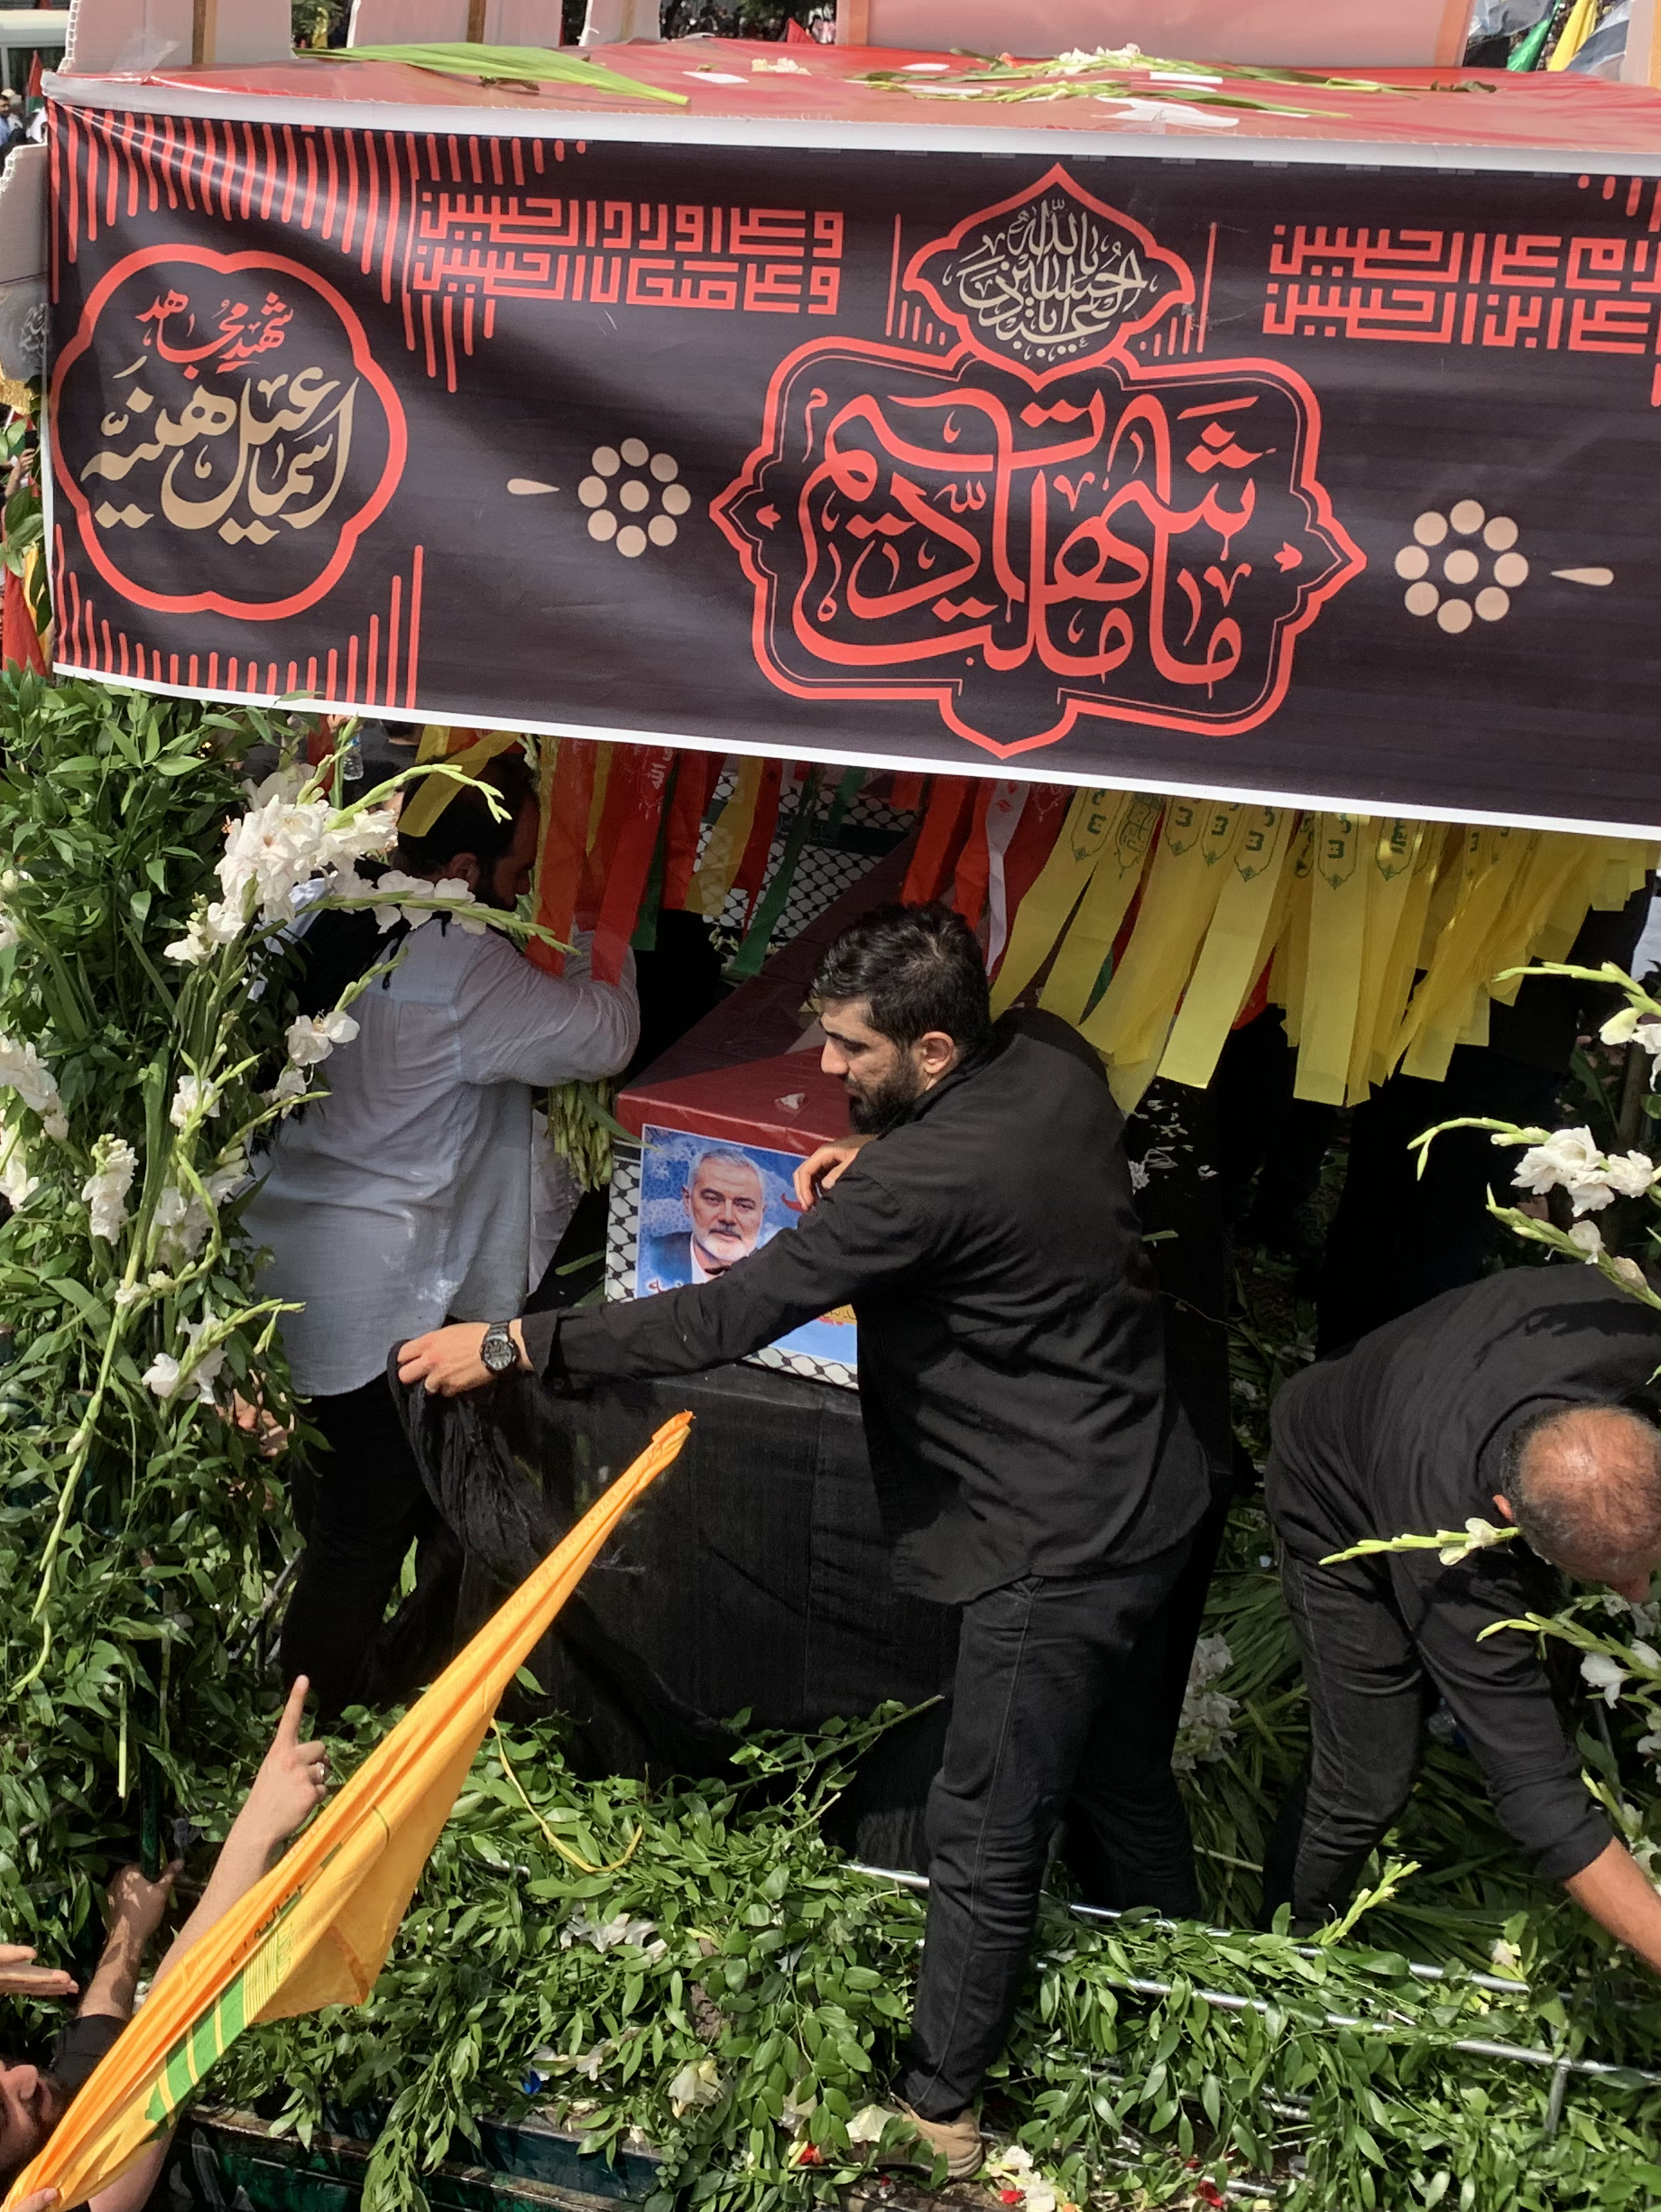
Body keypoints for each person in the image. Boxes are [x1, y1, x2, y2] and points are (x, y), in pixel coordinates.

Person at [400, 903, 1218, 2174]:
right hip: (1150, 1484)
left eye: (852, 1054)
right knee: (1121, 1782)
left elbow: (719, 1318)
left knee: (989, 1824)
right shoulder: (1050, 1055)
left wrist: (514, 1342)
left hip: (1048, 1541)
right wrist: (877, 1156)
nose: (825, 1074)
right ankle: (1195, 2011)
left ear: (937, 1049)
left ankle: (941, 2113)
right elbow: (967, 1174)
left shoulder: (927, 1184)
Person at [1259, 1259, 1661, 2072]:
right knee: (1368, 1771)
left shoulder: (1644, 1330)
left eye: (1649, 1561)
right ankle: (1276, 1964)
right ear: (1507, 1521)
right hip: (1334, 1479)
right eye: (1613, 1577)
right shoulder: (1452, 1551)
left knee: (1554, 1681)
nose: (1640, 1592)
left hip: (1433, 1377)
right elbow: (1537, 1794)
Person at [242, 766, 636, 1718]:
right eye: (523, 868)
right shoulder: (459, 958)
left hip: (270, 1259)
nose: (525, 889)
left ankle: (326, 1684)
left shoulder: (307, 908)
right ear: (465, 864)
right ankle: (297, 1732)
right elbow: (603, 1035)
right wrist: (605, 928)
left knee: (334, 1498)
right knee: (363, 1526)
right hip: (375, 1290)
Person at [639, 1144, 789, 1289]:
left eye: (744, 1206)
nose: (728, 1218)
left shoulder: (778, 1281)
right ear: (687, 1200)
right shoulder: (651, 1256)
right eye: (713, 1199)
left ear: (762, 1213)